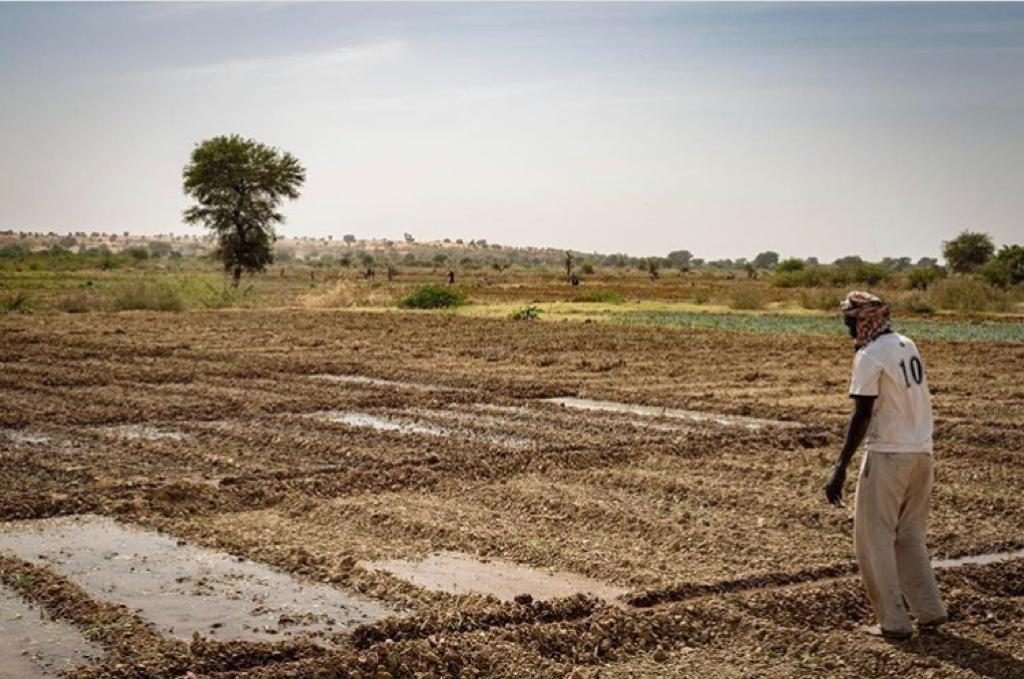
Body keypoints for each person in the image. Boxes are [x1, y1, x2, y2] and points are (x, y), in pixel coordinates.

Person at [824, 291, 947, 640]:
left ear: (863, 319)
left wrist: (840, 466)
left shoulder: (870, 354)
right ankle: (929, 610)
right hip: (922, 453)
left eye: (849, 321)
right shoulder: (906, 344)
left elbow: (862, 413)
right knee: (909, 536)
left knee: (873, 538)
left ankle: (892, 621)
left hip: (889, 454)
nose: (847, 328)